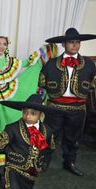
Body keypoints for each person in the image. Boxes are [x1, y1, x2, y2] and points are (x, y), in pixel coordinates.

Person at [0, 35, 57, 167]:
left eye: (4, 44)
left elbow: (28, 63)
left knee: (2, 124)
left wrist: (39, 55)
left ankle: (0, 157)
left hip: (5, 97)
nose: (1, 47)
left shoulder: (10, 61)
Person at [39, 28, 96, 176]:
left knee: (73, 138)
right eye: (71, 42)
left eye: (77, 42)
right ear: (64, 44)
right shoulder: (50, 64)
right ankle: (44, 161)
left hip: (78, 108)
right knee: (49, 135)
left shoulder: (89, 64)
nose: (75, 45)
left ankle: (70, 162)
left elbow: (93, 85)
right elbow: (41, 85)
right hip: (54, 107)